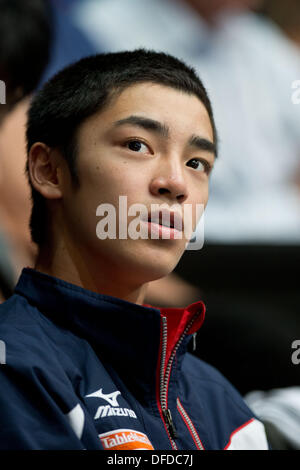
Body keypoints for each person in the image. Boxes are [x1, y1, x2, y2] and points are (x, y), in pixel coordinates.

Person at [0, 50, 268, 450]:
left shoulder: (222, 405)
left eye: (197, 162)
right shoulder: (16, 365)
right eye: (138, 145)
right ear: (49, 170)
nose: (176, 182)